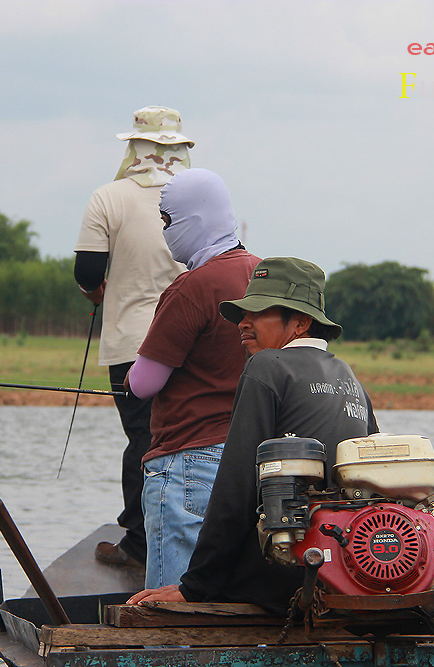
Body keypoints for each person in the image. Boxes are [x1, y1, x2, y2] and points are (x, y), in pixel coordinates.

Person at [128, 257, 434, 611]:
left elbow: (235, 488)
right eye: (243, 313)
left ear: (300, 322)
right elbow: (384, 488)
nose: (243, 323)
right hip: (344, 572)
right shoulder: (348, 376)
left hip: (280, 576)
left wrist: (194, 587)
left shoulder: (267, 366)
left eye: (257, 312)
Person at [123, 168, 260, 589]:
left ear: (195, 218)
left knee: (170, 609)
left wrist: (130, 375)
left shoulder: (192, 287)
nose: (166, 232)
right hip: (251, 461)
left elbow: (143, 383)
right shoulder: (263, 275)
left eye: (169, 221)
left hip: (189, 465)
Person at [73, 106, 192, 568]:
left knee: (143, 436)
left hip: (132, 344)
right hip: (190, 340)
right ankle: (188, 535)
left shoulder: (107, 198)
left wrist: (96, 290)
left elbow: (87, 270)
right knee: (191, 436)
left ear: (133, 147)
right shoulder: (195, 197)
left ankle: (140, 542)